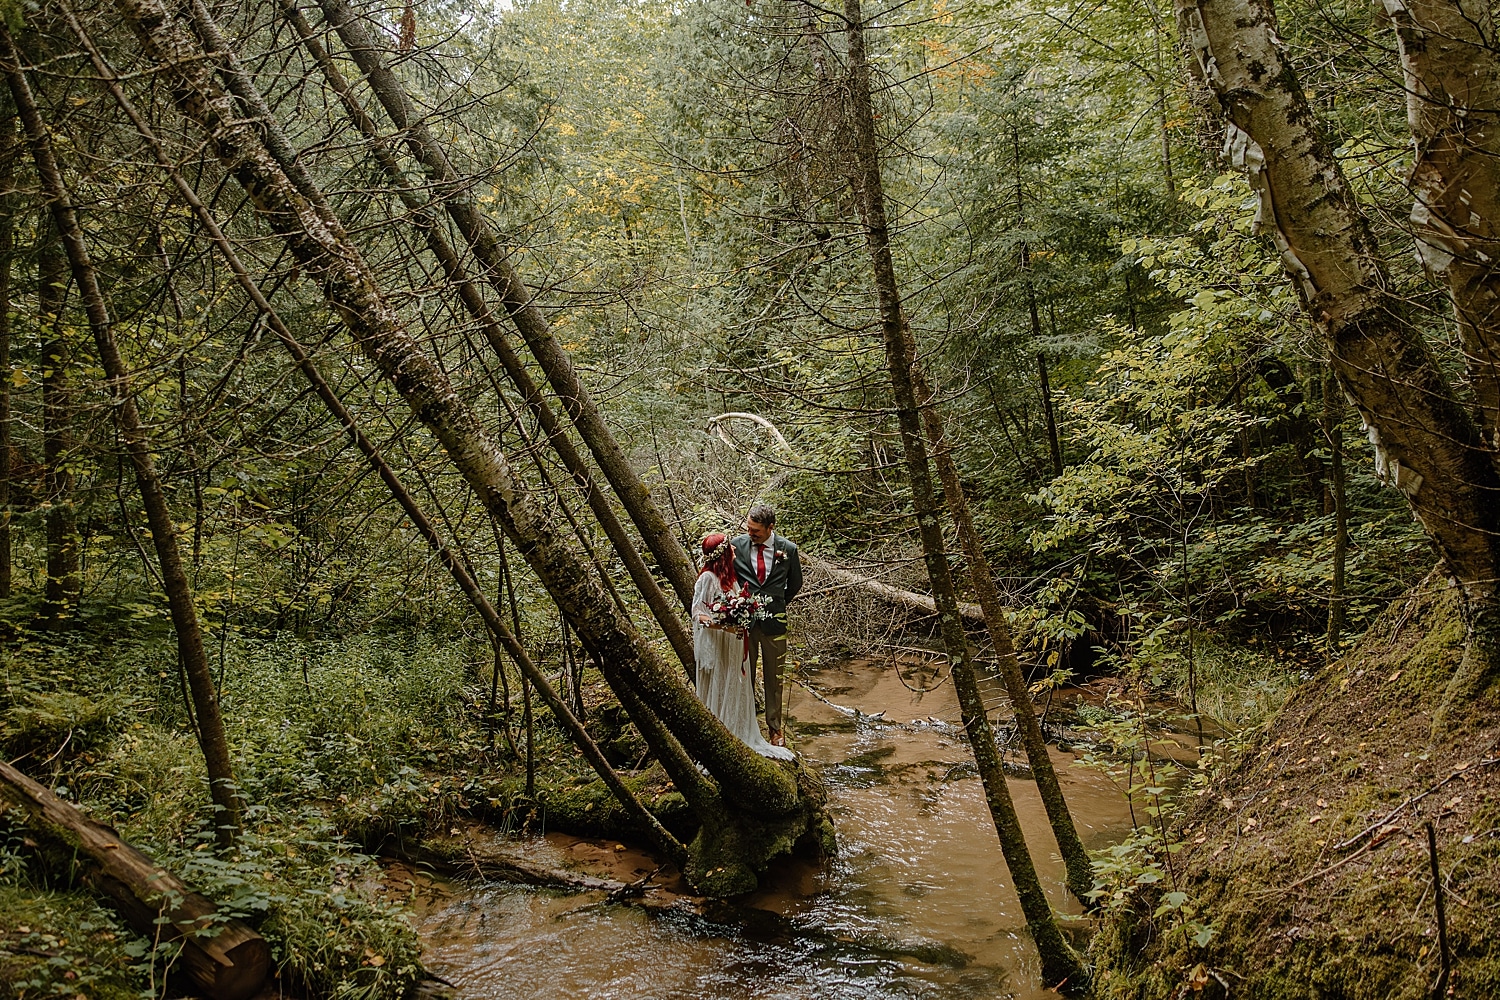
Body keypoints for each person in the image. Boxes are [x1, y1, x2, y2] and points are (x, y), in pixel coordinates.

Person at [692, 532, 795, 760]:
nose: (736, 550)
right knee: (721, 684)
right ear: (723, 555)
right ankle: (719, 734)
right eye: (731, 548)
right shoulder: (707, 579)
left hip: (735, 644)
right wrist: (723, 625)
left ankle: (737, 731)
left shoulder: (730, 579)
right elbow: (698, 613)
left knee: (735, 684)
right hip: (720, 643)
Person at [731, 504, 802, 747]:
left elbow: (795, 584)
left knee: (775, 677)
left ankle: (774, 729)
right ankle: (745, 723)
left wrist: (777, 604)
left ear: (770, 528)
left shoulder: (789, 550)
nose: (751, 534)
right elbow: (728, 579)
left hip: (775, 622)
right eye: (749, 529)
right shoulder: (736, 546)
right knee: (744, 675)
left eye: (756, 531)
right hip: (744, 623)